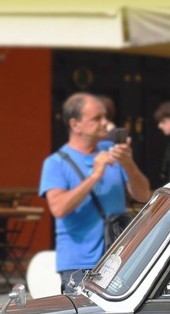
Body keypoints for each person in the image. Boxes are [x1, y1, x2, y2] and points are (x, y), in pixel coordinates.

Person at [39, 93, 151, 293]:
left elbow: (143, 196)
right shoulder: (56, 163)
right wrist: (94, 175)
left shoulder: (112, 150)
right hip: (80, 265)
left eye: (105, 117)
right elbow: (58, 208)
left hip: (120, 261)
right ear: (76, 125)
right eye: (97, 118)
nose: (105, 123)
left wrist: (129, 165)